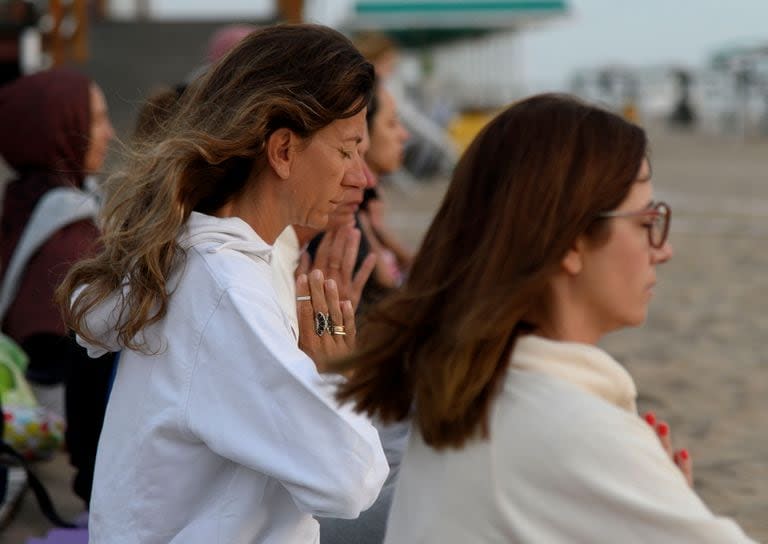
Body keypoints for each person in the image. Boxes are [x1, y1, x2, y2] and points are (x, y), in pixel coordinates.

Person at [335, 93, 757, 543]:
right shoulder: (567, 427)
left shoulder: (469, 391)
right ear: (572, 242)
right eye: (647, 222)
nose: (663, 249)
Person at [57, 24, 388, 543]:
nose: (360, 178)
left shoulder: (202, 259)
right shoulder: (225, 290)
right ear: (282, 151)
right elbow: (351, 480)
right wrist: (335, 379)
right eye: (348, 150)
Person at [0, 67, 116, 507]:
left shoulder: (24, 203)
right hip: (56, 464)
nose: (107, 133)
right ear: (62, 128)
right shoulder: (70, 238)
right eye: (97, 119)